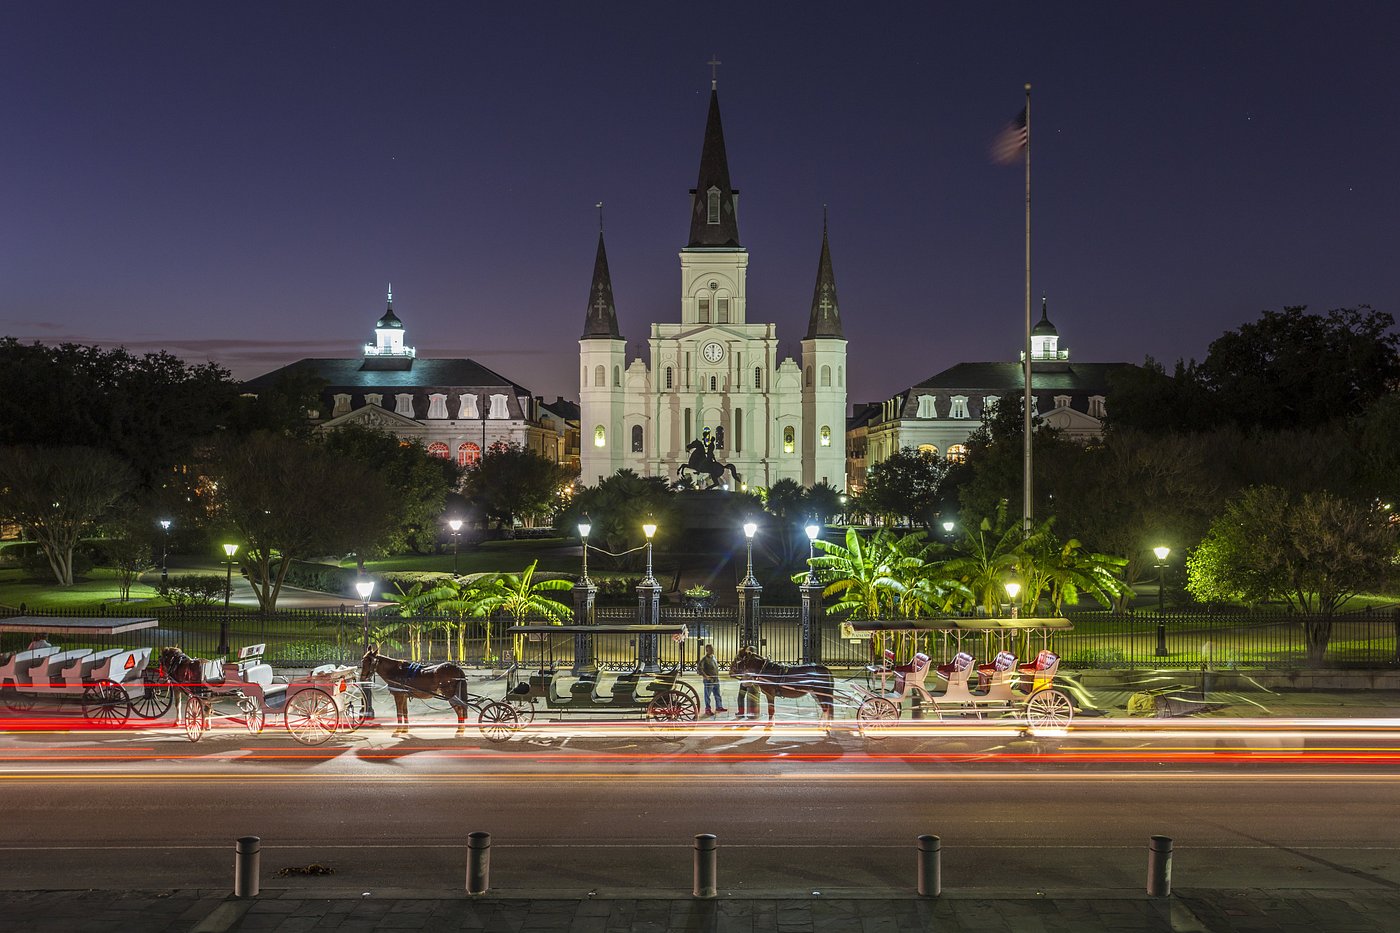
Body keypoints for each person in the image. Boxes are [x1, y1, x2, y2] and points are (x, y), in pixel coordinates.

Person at [698, 644, 725, 717]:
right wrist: (705, 676)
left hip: (715, 679)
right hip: (709, 681)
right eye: (711, 649)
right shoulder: (704, 659)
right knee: (707, 695)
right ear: (707, 650)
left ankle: (719, 706)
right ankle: (708, 709)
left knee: (717, 693)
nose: (713, 650)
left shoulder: (713, 657)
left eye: (713, 648)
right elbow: (699, 668)